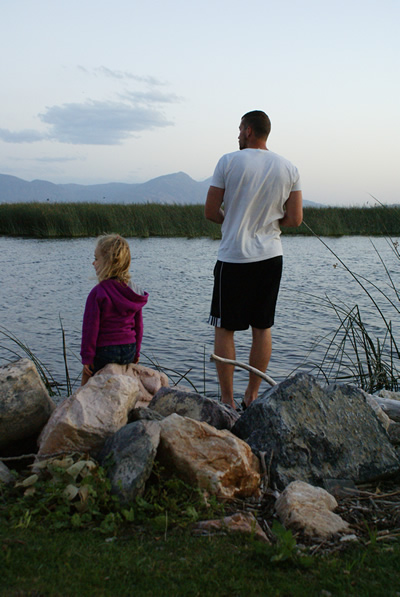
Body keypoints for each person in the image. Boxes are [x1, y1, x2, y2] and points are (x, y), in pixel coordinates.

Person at [205, 110, 303, 410]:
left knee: (225, 328)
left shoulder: (228, 161)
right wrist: (270, 224)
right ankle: (252, 395)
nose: (237, 134)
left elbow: (210, 211)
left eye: (239, 129)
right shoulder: (289, 167)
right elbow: (295, 219)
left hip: (234, 257)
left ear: (248, 130)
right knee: (263, 327)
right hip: (270, 257)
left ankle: (226, 400)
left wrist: (230, 221)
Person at [80, 234, 148, 385]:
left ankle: (78, 398)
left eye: (96, 259)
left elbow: (90, 329)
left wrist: (87, 358)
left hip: (106, 352)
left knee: (87, 372)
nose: (93, 263)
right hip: (128, 350)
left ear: (108, 263)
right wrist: (136, 352)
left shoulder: (98, 293)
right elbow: (139, 326)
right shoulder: (134, 292)